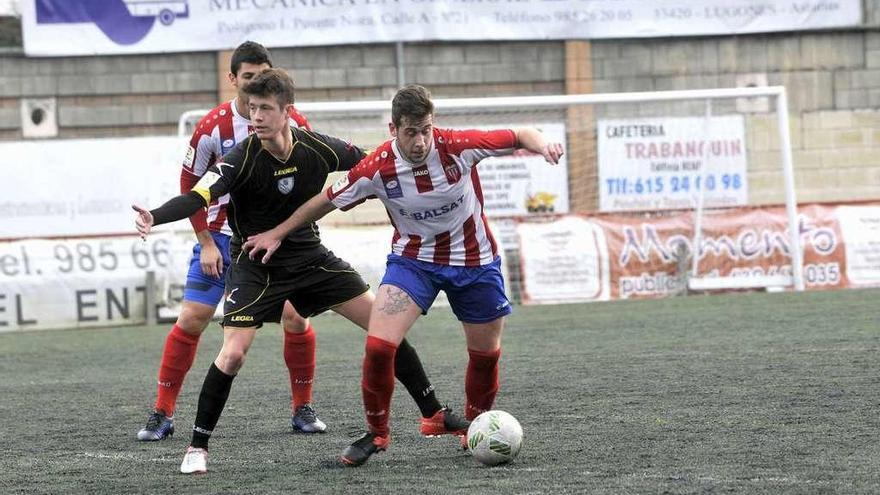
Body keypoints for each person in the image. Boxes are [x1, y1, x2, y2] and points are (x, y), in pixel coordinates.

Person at [132, 71, 468, 474]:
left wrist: (419, 172)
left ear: (287, 111)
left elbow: (372, 161)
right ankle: (197, 446)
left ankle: (432, 412)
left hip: (310, 259)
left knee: (385, 328)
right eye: (252, 108)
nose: (255, 116)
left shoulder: (316, 147)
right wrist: (156, 215)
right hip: (256, 265)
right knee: (233, 353)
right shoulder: (239, 158)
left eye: (265, 109)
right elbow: (197, 196)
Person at [242, 84, 564, 467]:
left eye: (426, 129)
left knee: (485, 355)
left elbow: (520, 133)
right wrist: (277, 233)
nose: (421, 140)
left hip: (475, 263)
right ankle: (377, 433)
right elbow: (322, 203)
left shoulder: (458, 146)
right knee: (379, 346)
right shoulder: (376, 167)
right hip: (414, 263)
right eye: (411, 131)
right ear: (393, 129)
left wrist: (543, 143)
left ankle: (473, 427)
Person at [136, 41, 326, 442]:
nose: (257, 84)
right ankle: (162, 413)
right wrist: (205, 240)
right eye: (249, 77)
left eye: (263, 76)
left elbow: (310, 176)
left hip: (275, 241)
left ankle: (303, 408)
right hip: (222, 238)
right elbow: (190, 186)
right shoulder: (212, 127)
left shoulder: (296, 124)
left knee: (296, 317)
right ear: (233, 80)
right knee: (191, 319)